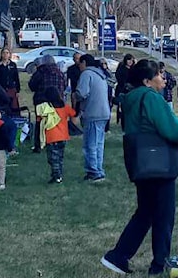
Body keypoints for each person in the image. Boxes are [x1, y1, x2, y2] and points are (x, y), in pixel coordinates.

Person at [101, 60, 178, 276]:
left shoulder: (131, 98)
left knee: (145, 212)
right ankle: (159, 264)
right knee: (164, 215)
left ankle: (118, 256)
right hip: (160, 165)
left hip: (141, 163)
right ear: (147, 81)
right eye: (159, 74)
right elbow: (171, 130)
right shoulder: (151, 98)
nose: (163, 78)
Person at [76, 54, 110, 182]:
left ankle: (93, 171)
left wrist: (75, 95)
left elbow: (82, 93)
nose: (78, 66)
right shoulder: (100, 74)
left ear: (84, 62)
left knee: (90, 144)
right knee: (99, 143)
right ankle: (99, 169)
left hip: (92, 112)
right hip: (104, 112)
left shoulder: (86, 74)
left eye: (80, 63)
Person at [36, 86, 76, 184]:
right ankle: (59, 174)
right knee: (60, 157)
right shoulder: (64, 107)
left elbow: (39, 119)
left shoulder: (47, 108)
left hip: (52, 137)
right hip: (63, 136)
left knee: (52, 158)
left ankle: (57, 176)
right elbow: (73, 113)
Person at [28, 55, 67, 153]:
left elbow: (32, 86)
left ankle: (39, 145)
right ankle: (55, 142)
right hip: (58, 103)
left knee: (40, 124)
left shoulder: (40, 72)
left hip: (42, 103)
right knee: (55, 124)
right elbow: (65, 86)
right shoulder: (60, 73)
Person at [0, 47, 21, 112]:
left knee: (13, 106)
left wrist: (18, 90)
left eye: (7, 53)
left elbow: (16, 78)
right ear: (1, 54)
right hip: (0, 88)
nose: (5, 54)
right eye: (4, 53)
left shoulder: (12, 65)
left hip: (11, 88)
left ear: (9, 54)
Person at [114, 54, 136, 131]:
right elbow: (119, 79)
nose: (130, 62)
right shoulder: (121, 69)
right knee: (122, 109)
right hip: (122, 90)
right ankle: (123, 123)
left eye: (132, 60)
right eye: (129, 60)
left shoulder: (134, 69)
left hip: (131, 91)